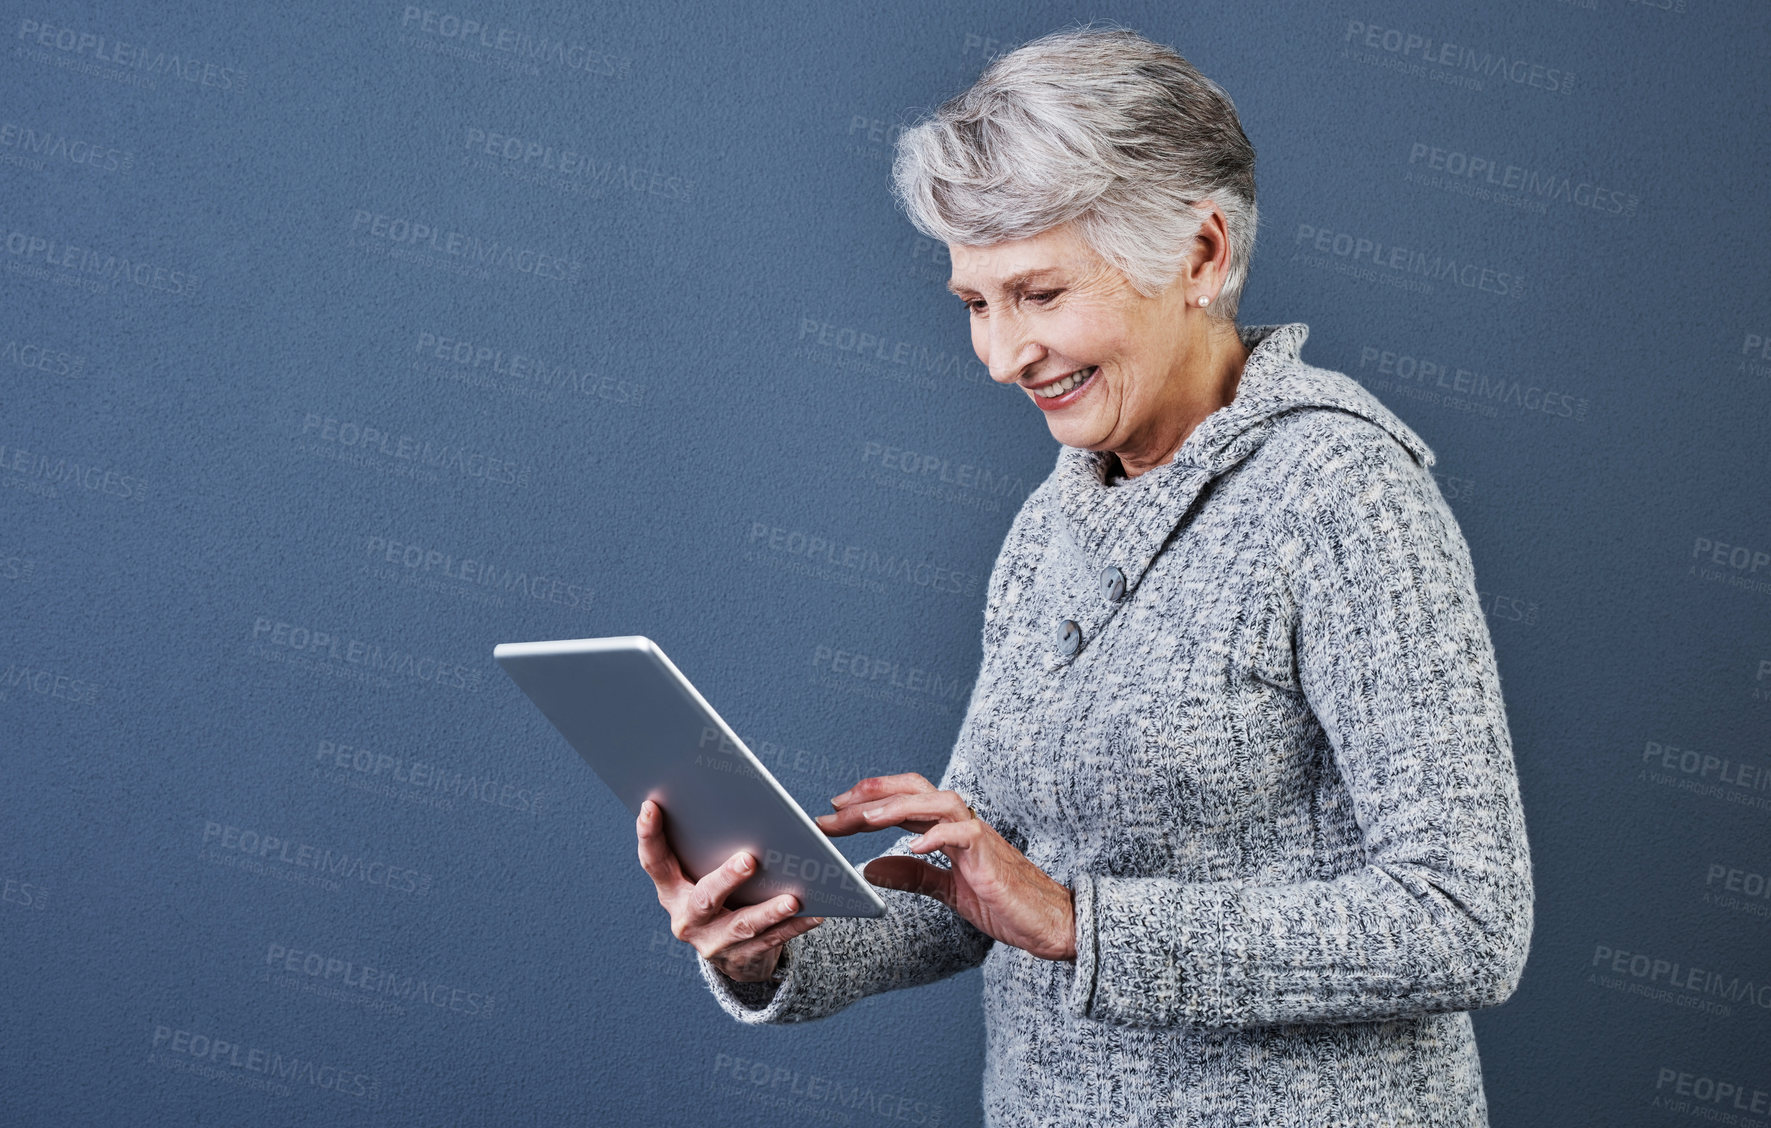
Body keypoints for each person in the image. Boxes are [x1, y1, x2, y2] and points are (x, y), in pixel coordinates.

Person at [635, 22, 1533, 1127]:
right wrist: (774, 944)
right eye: (976, 302)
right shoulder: (1052, 522)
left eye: (1040, 294)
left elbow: (1465, 920)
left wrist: (1078, 923)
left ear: (1200, 256)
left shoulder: (1346, 498)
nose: (1003, 355)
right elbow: (985, 890)